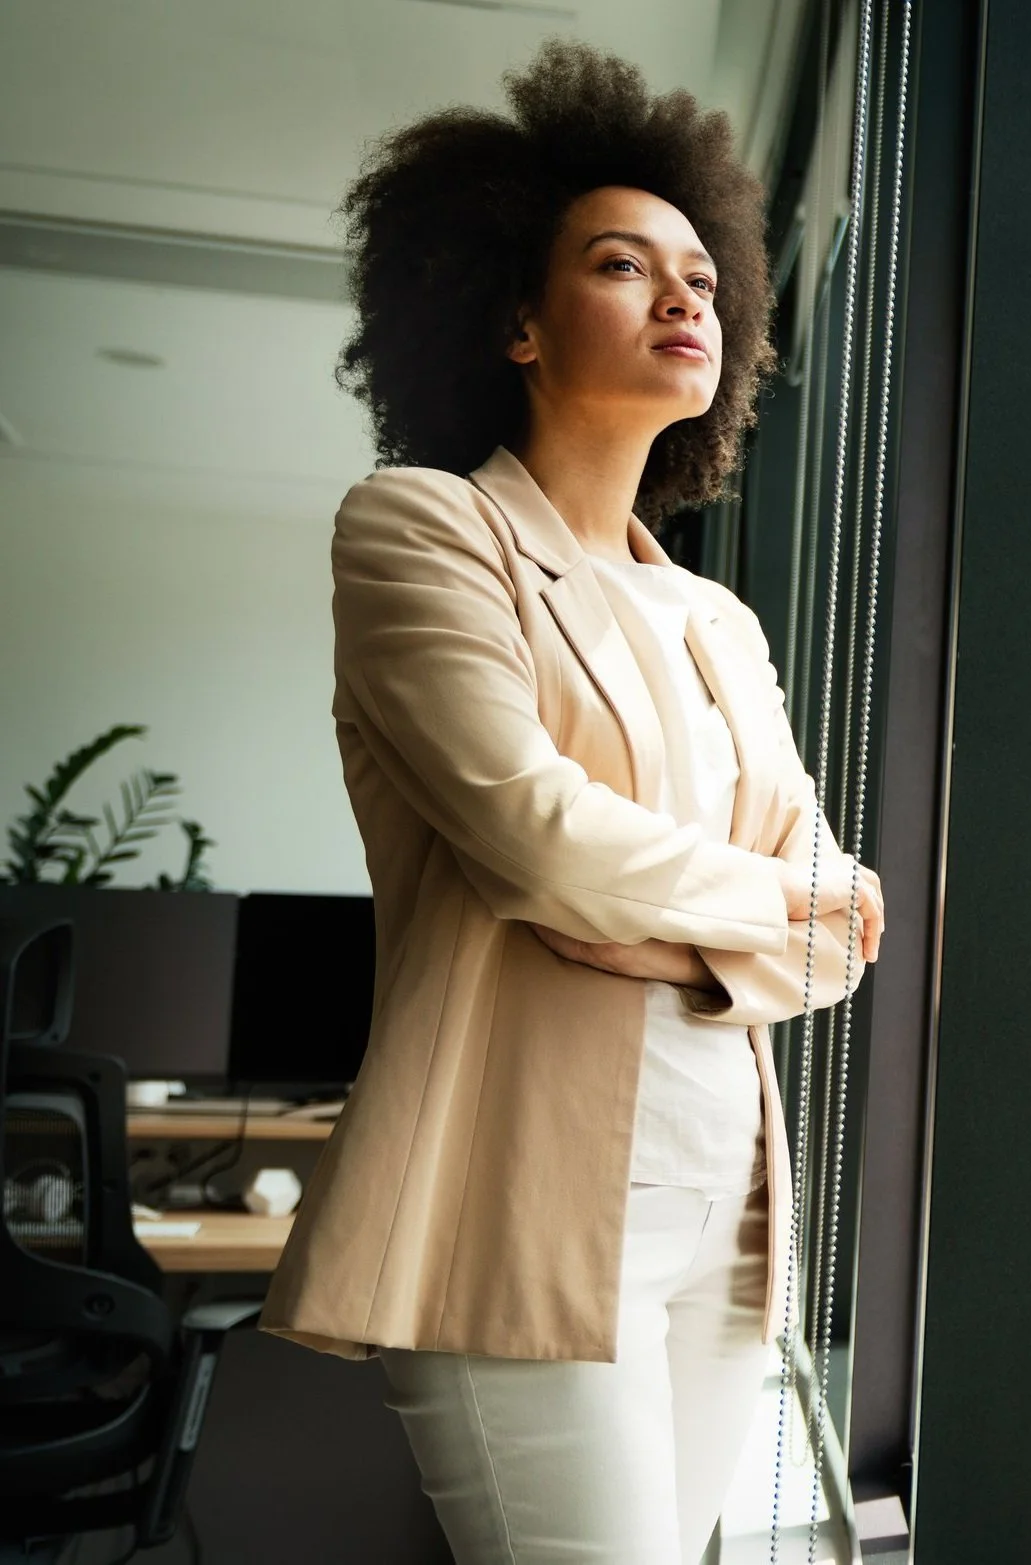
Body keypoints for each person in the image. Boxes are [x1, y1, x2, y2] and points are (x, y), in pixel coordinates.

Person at [257, 41, 885, 1564]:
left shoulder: (719, 623)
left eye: (703, 277)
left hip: (726, 1219)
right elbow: (538, 841)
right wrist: (758, 920)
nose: (687, 299)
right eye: (625, 265)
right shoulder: (424, 529)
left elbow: (847, 925)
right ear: (519, 321)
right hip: (522, 1202)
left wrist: (672, 931)